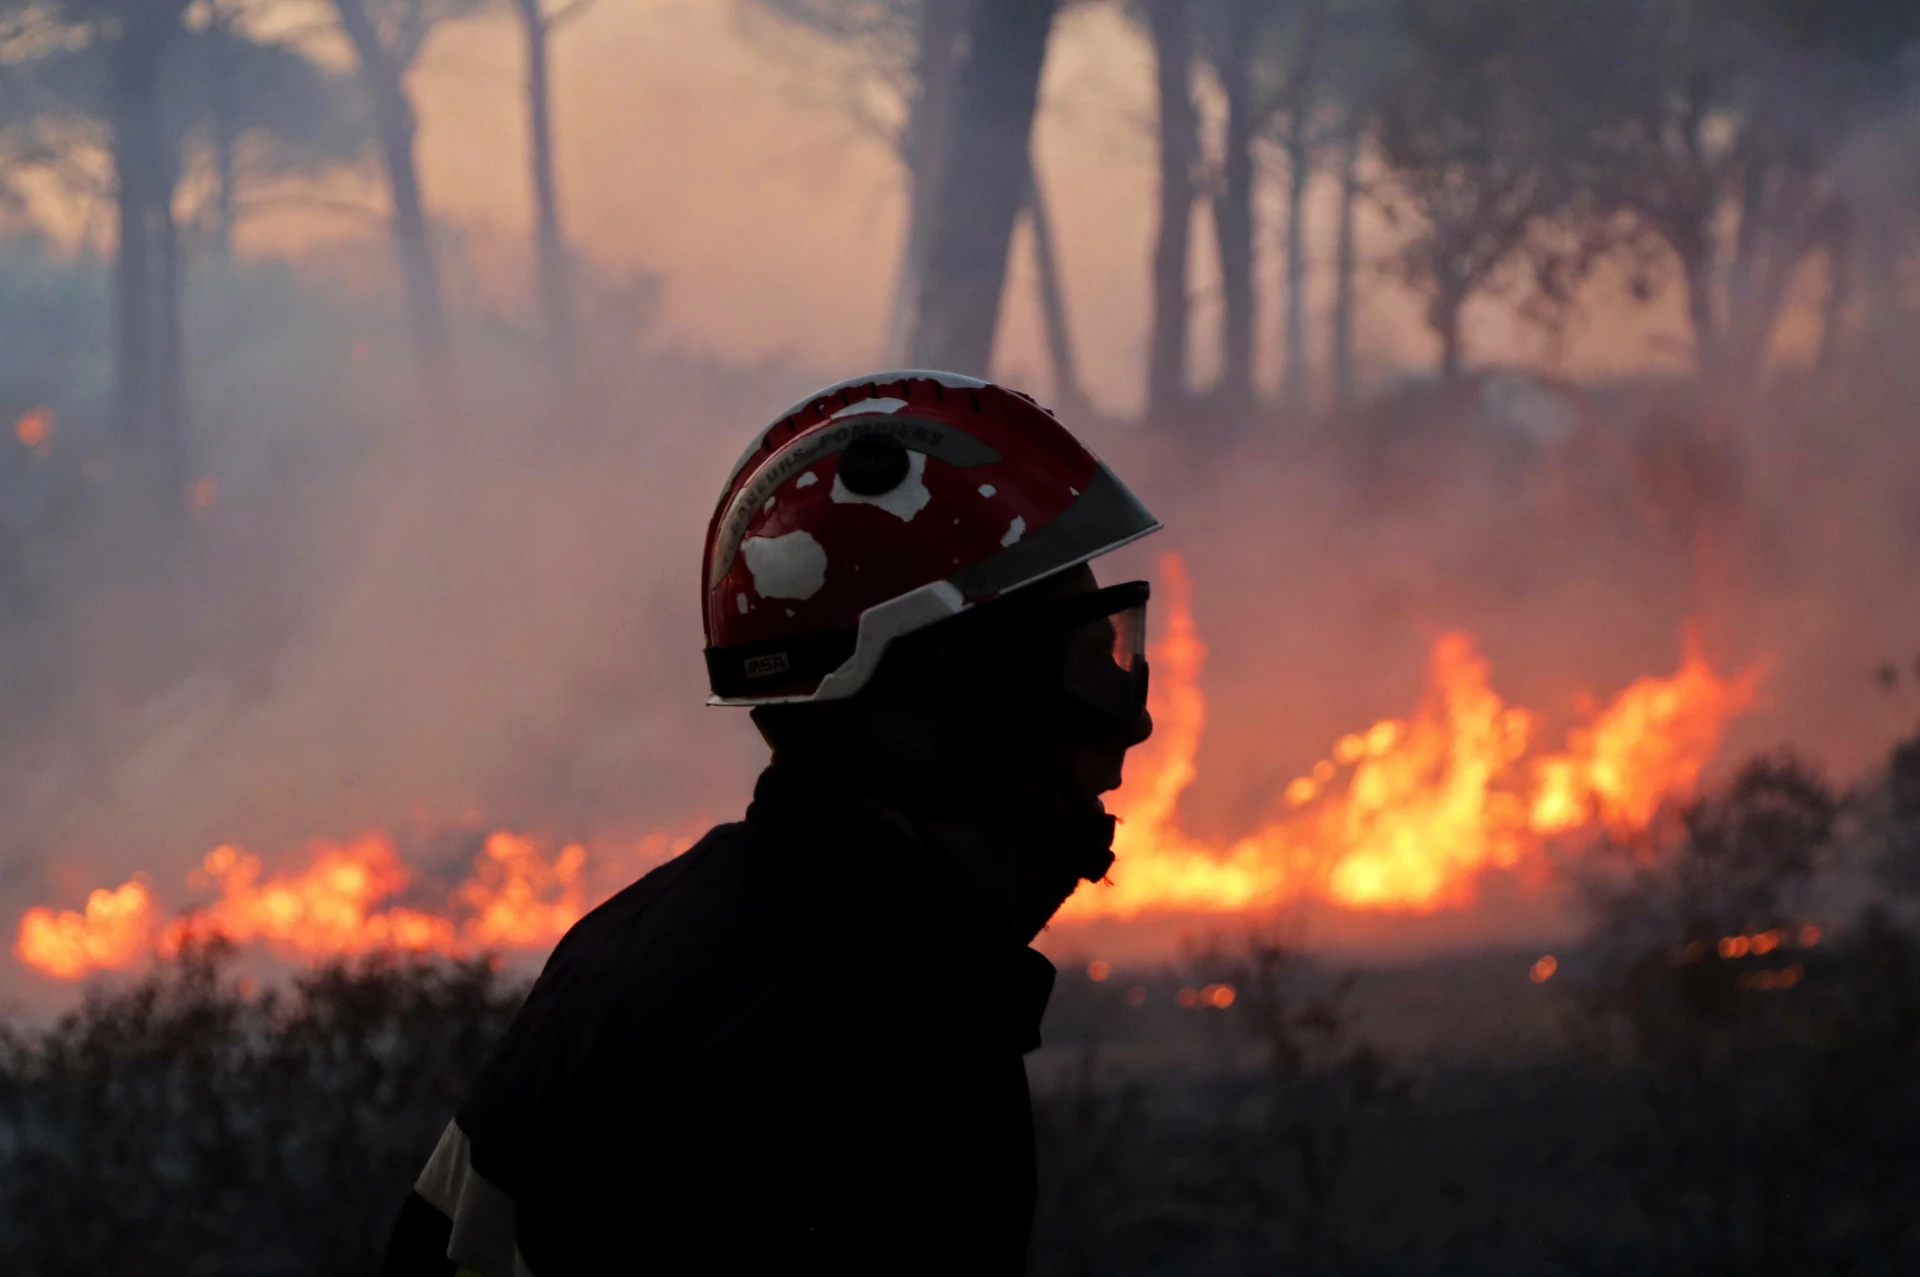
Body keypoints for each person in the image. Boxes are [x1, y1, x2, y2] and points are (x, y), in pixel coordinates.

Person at [383, 370, 1162, 1276]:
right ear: (934, 699)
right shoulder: (860, 1049)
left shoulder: (679, 947)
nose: (1128, 718)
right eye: (1083, 657)